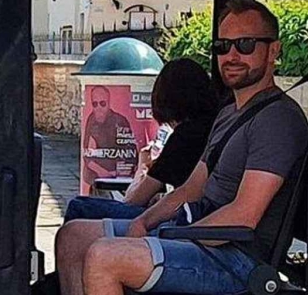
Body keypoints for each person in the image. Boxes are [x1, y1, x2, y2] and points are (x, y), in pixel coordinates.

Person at [32, 0, 308, 295]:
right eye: (223, 46)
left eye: (246, 44)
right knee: (73, 236)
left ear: (273, 51)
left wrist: (168, 230)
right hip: (201, 237)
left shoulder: (277, 121)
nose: (231, 55)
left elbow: (245, 214)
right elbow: (192, 187)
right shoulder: (230, 112)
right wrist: (146, 220)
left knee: (104, 257)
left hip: (234, 259)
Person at [64, 58, 221, 223]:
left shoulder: (186, 137)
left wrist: (142, 167)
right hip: (196, 215)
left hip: (178, 222)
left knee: (79, 207)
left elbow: (135, 200)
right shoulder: (216, 124)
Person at [82, 84, 135, 183]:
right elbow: (86, 153)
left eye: (102, 103)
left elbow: (131, 153)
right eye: (95, 104)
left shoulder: (120, 121)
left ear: (108, 103)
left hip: (118, 178)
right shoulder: (91, 119)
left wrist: (118, 172)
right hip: (96, 178)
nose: (98, 108)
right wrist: (102, 172)